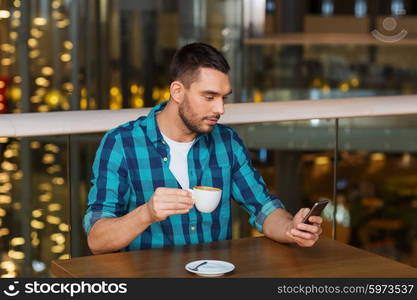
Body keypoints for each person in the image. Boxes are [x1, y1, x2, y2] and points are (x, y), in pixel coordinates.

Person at [83, 42, 323, 254]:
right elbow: (97, 240)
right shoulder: (121, 144)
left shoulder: (227, 143)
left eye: (223, 97)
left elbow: (263, 207)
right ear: (177, 91)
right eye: (209, 97)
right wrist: (147, 213)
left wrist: (291, 228)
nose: (220, 109)